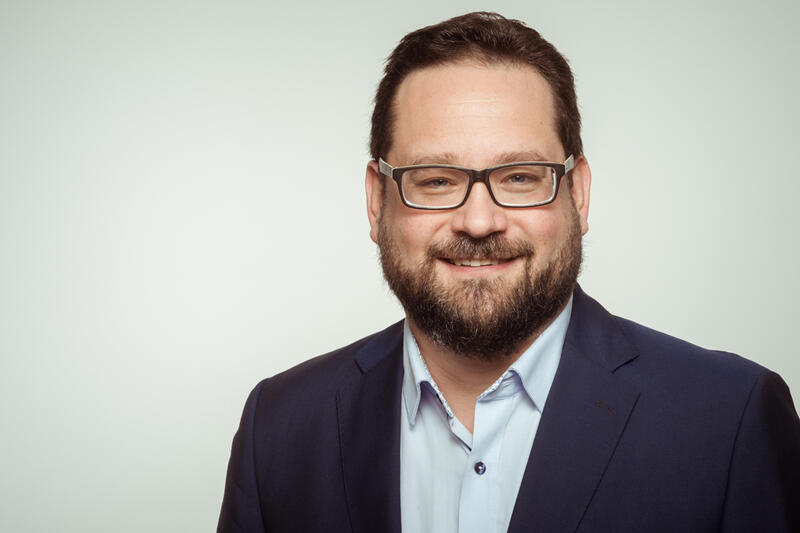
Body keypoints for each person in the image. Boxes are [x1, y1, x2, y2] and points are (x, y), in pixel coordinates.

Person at [217, 11, 800, 533]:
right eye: (435, 180)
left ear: (578, 194)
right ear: (376, 202)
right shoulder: (279, 429)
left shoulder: (730, 420)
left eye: (520, 177)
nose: (479, 221)